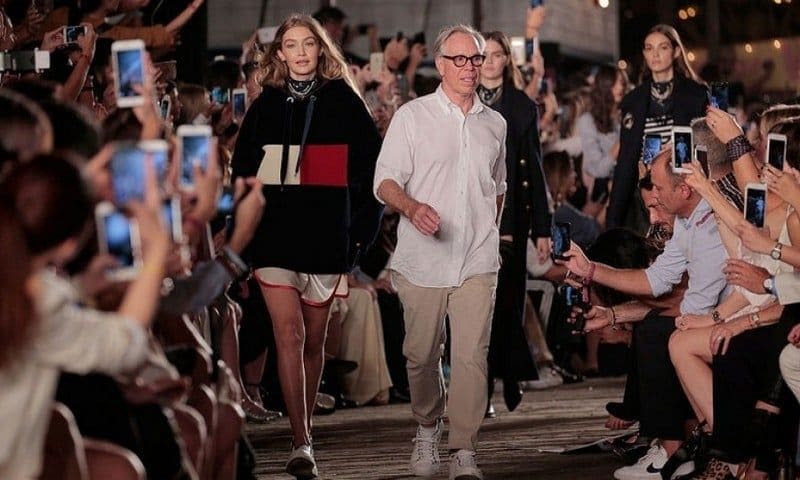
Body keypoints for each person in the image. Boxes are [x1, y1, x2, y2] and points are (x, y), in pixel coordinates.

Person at [231, 13, 382, 479]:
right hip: (273, 239)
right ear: (279, 54)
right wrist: (238, 233)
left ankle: (307, 430)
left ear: (321, 50)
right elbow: (243, 174)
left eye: (308, 44)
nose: (299, 53)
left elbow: (370, 175)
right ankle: (301, 442)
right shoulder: (266, 105)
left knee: (314, 343)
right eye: (291, 45)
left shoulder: (343, 102)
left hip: (325, 239)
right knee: (289, 335)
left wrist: (359, 238)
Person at [374, 24, 506, 480]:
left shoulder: (496, 123)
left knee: (472, 355)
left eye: (477, 59)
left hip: (478, 258)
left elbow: (498, 189)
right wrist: (412, 207)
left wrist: (489, 230)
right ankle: (427, 427)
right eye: (460, 59)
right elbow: (384, 181)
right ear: (441, 64)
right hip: (423, 259)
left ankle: (464, 449)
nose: (470, 67)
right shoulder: (412, 117)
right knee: (421, 355)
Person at [560, 150, 729, 480]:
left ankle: (690, 447)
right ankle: (678, 445)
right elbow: (657, 283)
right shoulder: (687, 221)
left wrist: (615, 314)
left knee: (661, 331)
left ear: (684, 190)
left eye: (658, 199)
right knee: (657, 326)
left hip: (731, 322)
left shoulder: (711, 225)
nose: (652, 217)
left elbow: (685, 304)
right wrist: (597, 284)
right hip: (709, 317)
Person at [0, 154, 168, 479]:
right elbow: (125, 346)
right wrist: (156, 252)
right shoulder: (36, 303)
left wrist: (80, 288)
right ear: (68, 247)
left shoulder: (28, 292)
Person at [477, 30, 551, 414]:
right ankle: (493, 378)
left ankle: (503, 375)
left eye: (495, 54)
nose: (489, 61)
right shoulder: (462, 101)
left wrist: (542, 228)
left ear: (506, 59)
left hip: (510, 214)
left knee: (507, 300)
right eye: (483, 54)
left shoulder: (522, 106)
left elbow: (535, 169)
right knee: (480, 304)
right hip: (472, 212)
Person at [607, 24, 707, 233]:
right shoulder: (632, 101)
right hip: (644, 190)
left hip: (684, 188)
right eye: (649, 48)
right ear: (644, 53)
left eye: (662, 47)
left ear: (676, 52)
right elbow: (626, 159)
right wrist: (614, 216)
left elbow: (707, 143)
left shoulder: (696, 94)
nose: (655, 54)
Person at [576, 64, 626, 201]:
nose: (620, 87)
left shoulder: (626, 116)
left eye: (622, 82)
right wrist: (622, 141)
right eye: (615, 82)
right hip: (604, 193)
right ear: (604, 86)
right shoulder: (588, 121)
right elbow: (598, 169)